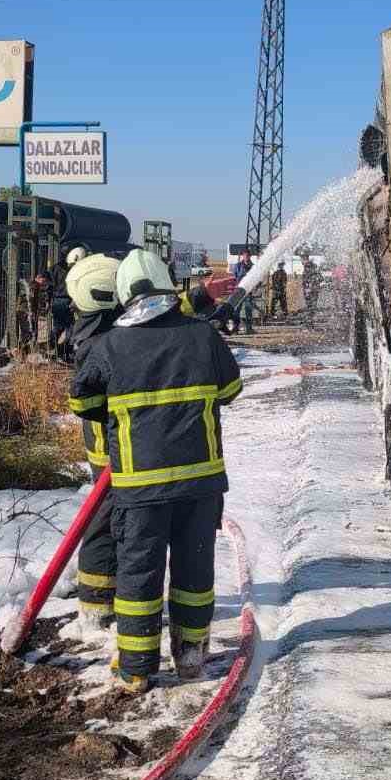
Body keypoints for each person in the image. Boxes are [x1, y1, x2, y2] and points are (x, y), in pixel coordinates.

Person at [70, 249, 243, 693]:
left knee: (138, 574)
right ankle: (190, 656)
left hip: (138, 488)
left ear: (124, 295)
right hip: (200, 484)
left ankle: (135, 669)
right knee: (195, 569)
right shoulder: (203, 337)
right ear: (169, 286)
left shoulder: (110, 346)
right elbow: (231, 389)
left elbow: (83, 403)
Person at [66, 253, 122, 628]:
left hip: (108, 445)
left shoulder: (93, 329)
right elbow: (84, 402)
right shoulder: (103, 342)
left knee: (110, 519)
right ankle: (97, 602)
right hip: (111, 448)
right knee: (105, 521)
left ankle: (103, 595)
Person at [233, 250, 256, 336]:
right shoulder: (238, 266)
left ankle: (249, 328)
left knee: (248, 309)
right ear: (242, 256)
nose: (246, 257)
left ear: (250, 256)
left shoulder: (253, 267)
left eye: (247, 255)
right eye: (244, 255)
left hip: (248, 291)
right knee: (236, 310)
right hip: (239, 291)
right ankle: (235, 329)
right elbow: (234, 278)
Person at [301, 254, 321, 328]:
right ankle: (309, 322)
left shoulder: (311, 273)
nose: (307, 268)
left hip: (312, 292)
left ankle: (309, 322)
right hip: (310, 292)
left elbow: (321, 279)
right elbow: (304, 283)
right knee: (310, 307)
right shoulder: (307, 273)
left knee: (311, 308)